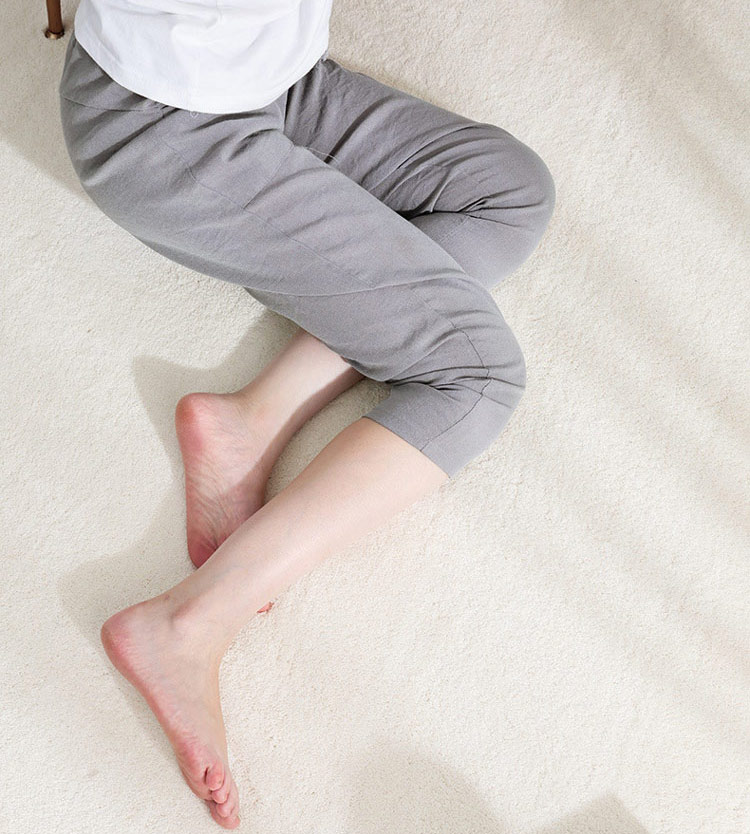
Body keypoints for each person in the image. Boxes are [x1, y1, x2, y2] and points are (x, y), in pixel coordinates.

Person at [58, 0, 555, 827]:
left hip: (265, 78)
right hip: (160, 128)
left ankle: (254, 418)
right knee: (476, 378)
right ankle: (187, 624)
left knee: (506, 190)